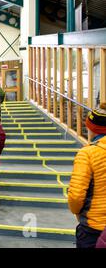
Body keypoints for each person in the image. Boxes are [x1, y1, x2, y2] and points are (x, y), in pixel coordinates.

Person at [68, 103, 106, 248]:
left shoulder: (88, 153)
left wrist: (77, 212)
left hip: (94, 228)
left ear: (92, 129)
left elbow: (76, 196)